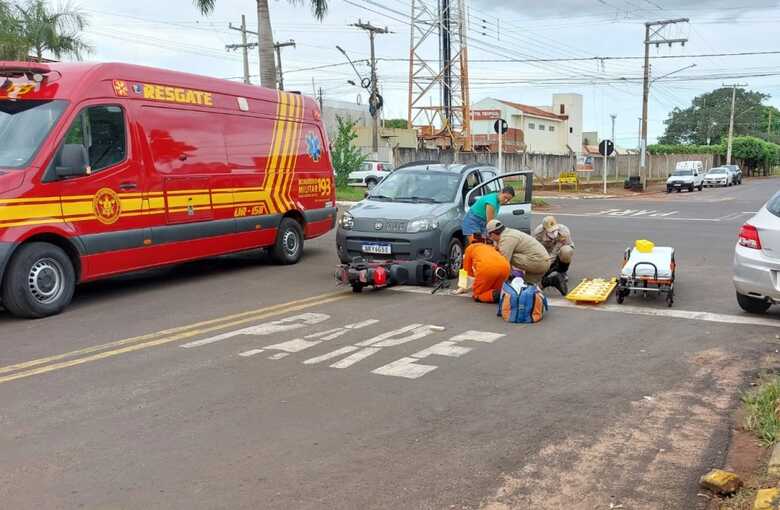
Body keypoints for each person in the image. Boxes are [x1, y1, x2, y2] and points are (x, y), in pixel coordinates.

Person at [486, 219, 567, 295]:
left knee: (503, 258)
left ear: (492, 234)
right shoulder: (508, 232)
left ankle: (511, 279)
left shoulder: (507, 239)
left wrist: (493, 279)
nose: (491, 239)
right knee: (526, 289)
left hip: (538, 262)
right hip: (541, 261)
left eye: (490, 236)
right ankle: (552, 280)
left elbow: (503, 263)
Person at [455, 238, 511, 303]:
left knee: (477, 294)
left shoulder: (469, 249)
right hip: (505, 267)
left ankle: (497, 296)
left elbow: (466, 270)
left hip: (487, 269)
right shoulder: (489, 247)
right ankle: (506, 294)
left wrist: (463, 286)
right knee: (495, 289)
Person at [533, 215, 575, 284]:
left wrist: (548, 265)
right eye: (551, 231)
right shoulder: (538, 233)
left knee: (566, 251)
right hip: (545, 251)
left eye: (555, 230)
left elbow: (555, 251)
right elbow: (535, 249)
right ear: (544, 229)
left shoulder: (564, 231)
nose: (554, 232)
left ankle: (562, 272)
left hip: (559, 251)